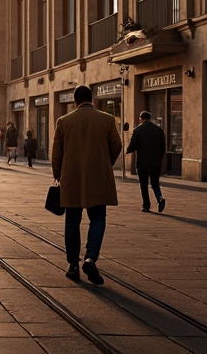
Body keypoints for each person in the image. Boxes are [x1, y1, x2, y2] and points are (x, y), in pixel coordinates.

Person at [52, 85, 121, 285]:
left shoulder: (63, 121)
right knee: (98, 217)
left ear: (74, 100)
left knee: (72, 220)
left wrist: (57, 174)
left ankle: (73, 265)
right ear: (92, 99)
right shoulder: (107, 119)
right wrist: (105, 162)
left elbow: (56, 152)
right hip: (98, 176)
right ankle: (90, 257)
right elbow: (117, 145)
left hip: (71, 177)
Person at [126, 110, 167, 213]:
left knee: (143, 184)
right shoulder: (159, 130)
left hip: (142, 162)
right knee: (155, 183)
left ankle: (146, 205)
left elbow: (133, 144)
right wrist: (159, 158)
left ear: (141, 118)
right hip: (155, 162)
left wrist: (128, 150)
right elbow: (163, 148)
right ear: (150, 118)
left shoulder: (138, 130)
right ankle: (160, 198)